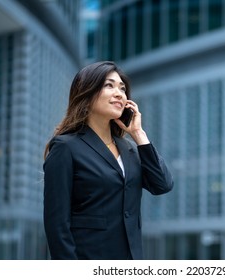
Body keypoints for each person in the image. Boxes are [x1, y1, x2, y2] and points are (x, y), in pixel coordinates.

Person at [43, 61, 174, 260]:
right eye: (109, 85)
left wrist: (138, 134)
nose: (119, 93)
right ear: (87, 93)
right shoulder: (66, 147)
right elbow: (57, 225)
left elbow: (162, 184)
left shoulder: (129, 148)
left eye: (122, 88)